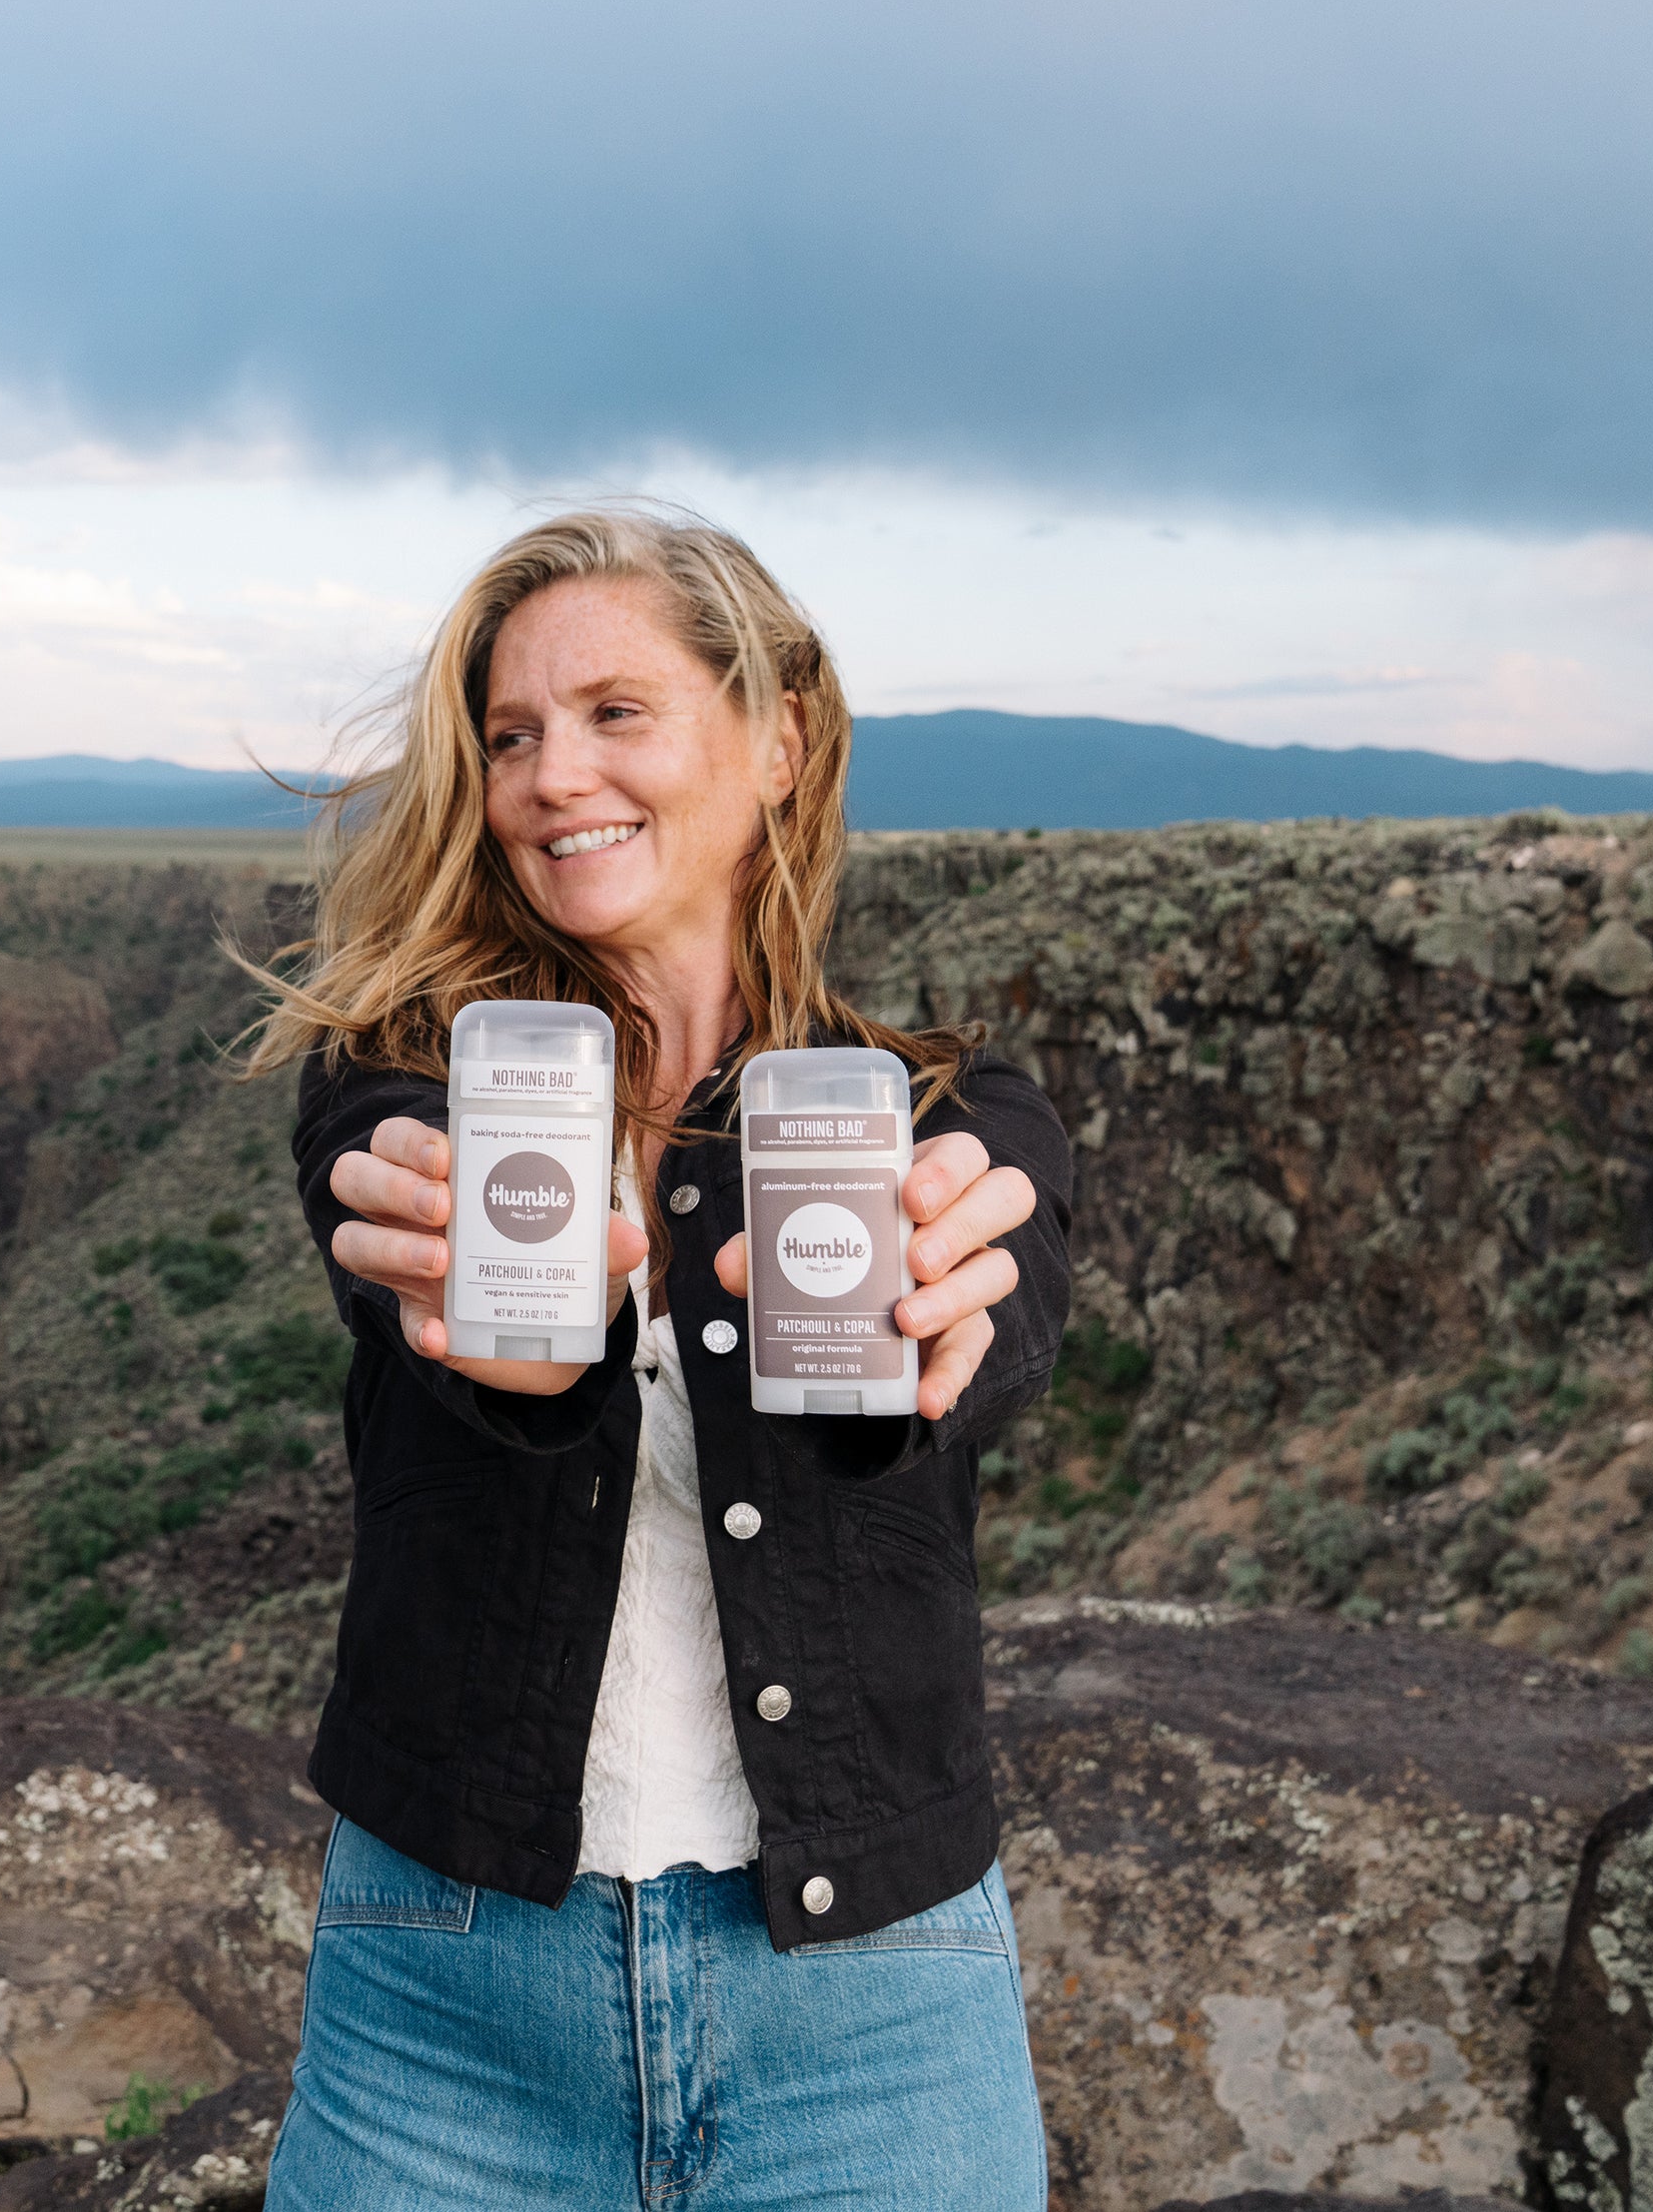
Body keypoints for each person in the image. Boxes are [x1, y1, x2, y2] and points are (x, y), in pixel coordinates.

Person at [242, 506, 1071, 2209]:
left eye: (616, 712)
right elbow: (420, 1230)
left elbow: (1002, 1301)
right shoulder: (400, 1085)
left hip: (873, 2015)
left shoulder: (947, 1117)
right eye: (511, 737)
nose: (554, 774)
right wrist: (499, 1331)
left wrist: (937, 1320)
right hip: (449, 1990)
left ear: (779, 740)